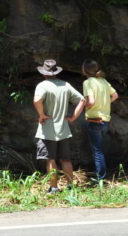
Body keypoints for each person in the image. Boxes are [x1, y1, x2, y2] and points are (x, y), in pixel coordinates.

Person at [33, 59, 86, 193]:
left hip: (47, 128)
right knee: (66, 159)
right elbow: (82, 100)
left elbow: (37, 100)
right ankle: (70, 186)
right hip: (63, 128)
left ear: (44, 73)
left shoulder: (42, 85)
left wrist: (41, 115)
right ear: (56, 72)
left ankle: (54, 187)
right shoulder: (65, 85)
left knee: (50, 159)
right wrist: (73, 117)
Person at [81, 59, 119, 184]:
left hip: (94, 119)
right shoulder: (103, 81)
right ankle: (101, 175)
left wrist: (83, 106)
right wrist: (105, 103)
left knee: (97, 151)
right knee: (100, 149)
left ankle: (100, 178)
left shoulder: (87, 83)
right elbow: (115, 96)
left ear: (85, 70)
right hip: (105, 119)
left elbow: (91, 101)